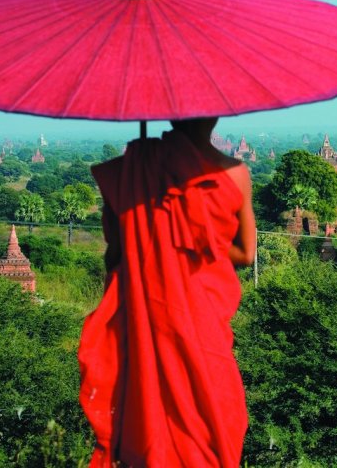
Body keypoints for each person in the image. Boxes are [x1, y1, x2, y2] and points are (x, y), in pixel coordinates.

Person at [78, 118, 256, 467]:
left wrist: (147, 220)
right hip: (203, 321)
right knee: (214, 417)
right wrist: (202, 244)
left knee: (147, 417)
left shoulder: (134, 169)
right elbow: (246, 253)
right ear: (216, 117)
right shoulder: (234, 172)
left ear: (173, 116)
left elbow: (115, 251)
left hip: (147, 317)